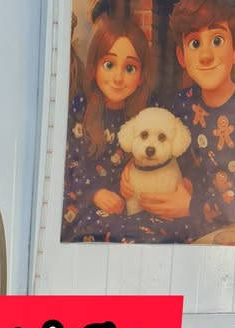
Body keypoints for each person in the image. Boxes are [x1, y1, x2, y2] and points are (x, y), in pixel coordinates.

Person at [162, 0, 235, 243]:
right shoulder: (180, 104)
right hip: (186, 222)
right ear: (182, 56)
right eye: (195, 43)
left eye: (217, 40)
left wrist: (192, 206)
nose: (206, 56)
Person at [62, 5, 154, 242]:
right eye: (109, 65)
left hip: (129, 205)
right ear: (95, 67)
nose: (118, 78)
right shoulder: (80, 107)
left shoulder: (145, 114)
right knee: (119, 236)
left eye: (130, 68)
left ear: (141, 75)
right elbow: (69, 163)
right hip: (84, 202)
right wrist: (95, 193)